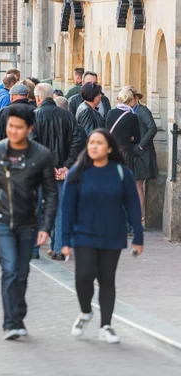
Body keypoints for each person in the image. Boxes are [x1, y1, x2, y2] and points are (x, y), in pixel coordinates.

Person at [0, 104, 58, 340]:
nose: (13, 131)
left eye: (18, 127)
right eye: (10, 126)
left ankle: (18, 316)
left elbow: (51, 193)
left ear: (29, 128)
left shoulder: (41, 155)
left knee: (22, 273)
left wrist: (46, 227)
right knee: (9, 270)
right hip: (2, 221)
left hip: (29, 223)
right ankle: (10, 322)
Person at [60, 129, 143, 344]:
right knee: (84, 276)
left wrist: (138, 237)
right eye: (91, 143)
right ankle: (86, 311)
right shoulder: (77, 172)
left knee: (107, 280)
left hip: (112, 235)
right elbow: (67, 208)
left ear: (109, 148)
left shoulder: (121, 172)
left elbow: (133, 205)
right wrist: (64, 240)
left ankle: (106, 325)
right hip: (83, 234)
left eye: (99, 143)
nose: (94, 146)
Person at [32, 83, 83, 260]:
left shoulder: (34, 116)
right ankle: (59, 248)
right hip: (61, 172)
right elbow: (78, 141)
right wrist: (66, 166)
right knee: (60, 209)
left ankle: (33, 248)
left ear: (38, 98)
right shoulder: (68, 116)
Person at [127, 86, 158, 218]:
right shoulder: (131, 111)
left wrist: (141, 145)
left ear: (134, 99)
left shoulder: (142, 110)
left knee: (138, 185)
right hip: (136, 153)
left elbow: (152, 128)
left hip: (143, 153)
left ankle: (138, 217)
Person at [105, 87, 141, 173]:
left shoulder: (110, 112)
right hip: (125, 154)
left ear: (119, 99)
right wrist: (130, 138)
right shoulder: (132, 117)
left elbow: (107, 131)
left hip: (111, 152)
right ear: (131, 99)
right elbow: (137, 139)